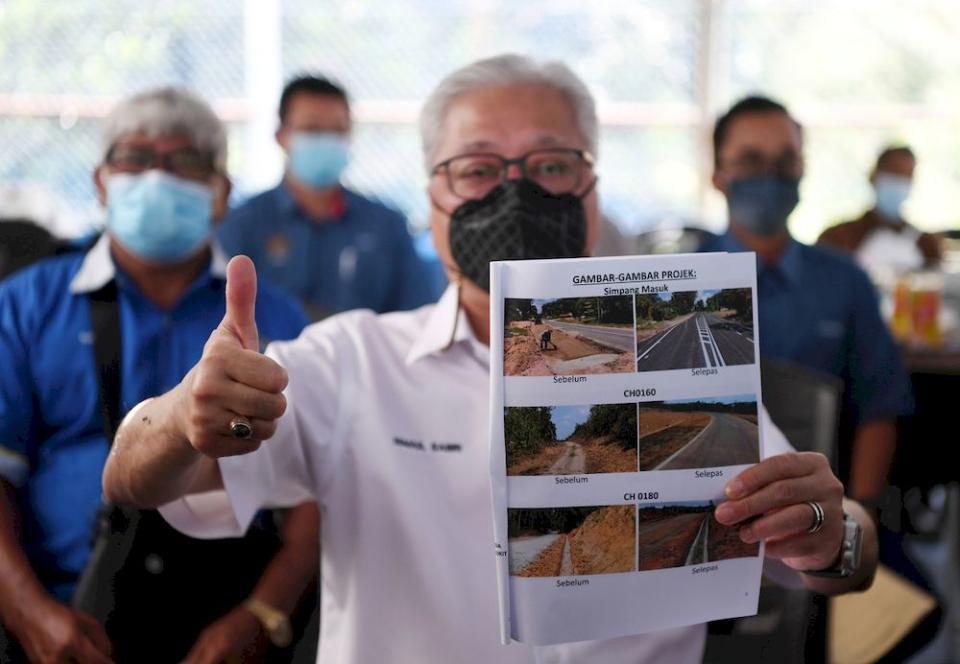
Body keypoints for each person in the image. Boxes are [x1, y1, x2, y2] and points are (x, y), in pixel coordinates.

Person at [104, 56, 878, 664]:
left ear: (592, 192)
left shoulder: (681, 368)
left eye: (549, 167)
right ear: (431, 199)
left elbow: (846, 555)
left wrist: (828, 529)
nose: (513, 194)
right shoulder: (354, 361)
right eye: (477, 169)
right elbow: (134, 477)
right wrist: (181, 419)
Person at [0, 87, 318, 664]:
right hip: (62, 608)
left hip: (225, 612)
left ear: (220, 192)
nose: (157, 176)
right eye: (135, 157)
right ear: (100, 182)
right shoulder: (24, 306)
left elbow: (314, 492)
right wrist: (28, 614)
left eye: (186, 160)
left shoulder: (274, 317)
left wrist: (263, 615)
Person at [700, 96, 914, 507]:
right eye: (750, 160)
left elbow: (880, 407)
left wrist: (856, 518)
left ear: (803, 169)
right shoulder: (677, 281)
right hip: (709, 510)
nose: (771, 175)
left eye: (785, 161)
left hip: (819, 517)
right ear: (718, 176)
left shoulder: (845, 280)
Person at [217, 74, 438, 319]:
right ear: (281, 136)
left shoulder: (387, 226)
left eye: (337, 130)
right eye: (312, 129)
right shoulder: (242, 225)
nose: (326, 140)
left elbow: (417, 319)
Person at [818, 145, 943, 272]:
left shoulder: (926, 244)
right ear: (873, 176)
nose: (899, 182)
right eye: (894, 172)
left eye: (906, 176)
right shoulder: (837, 237)